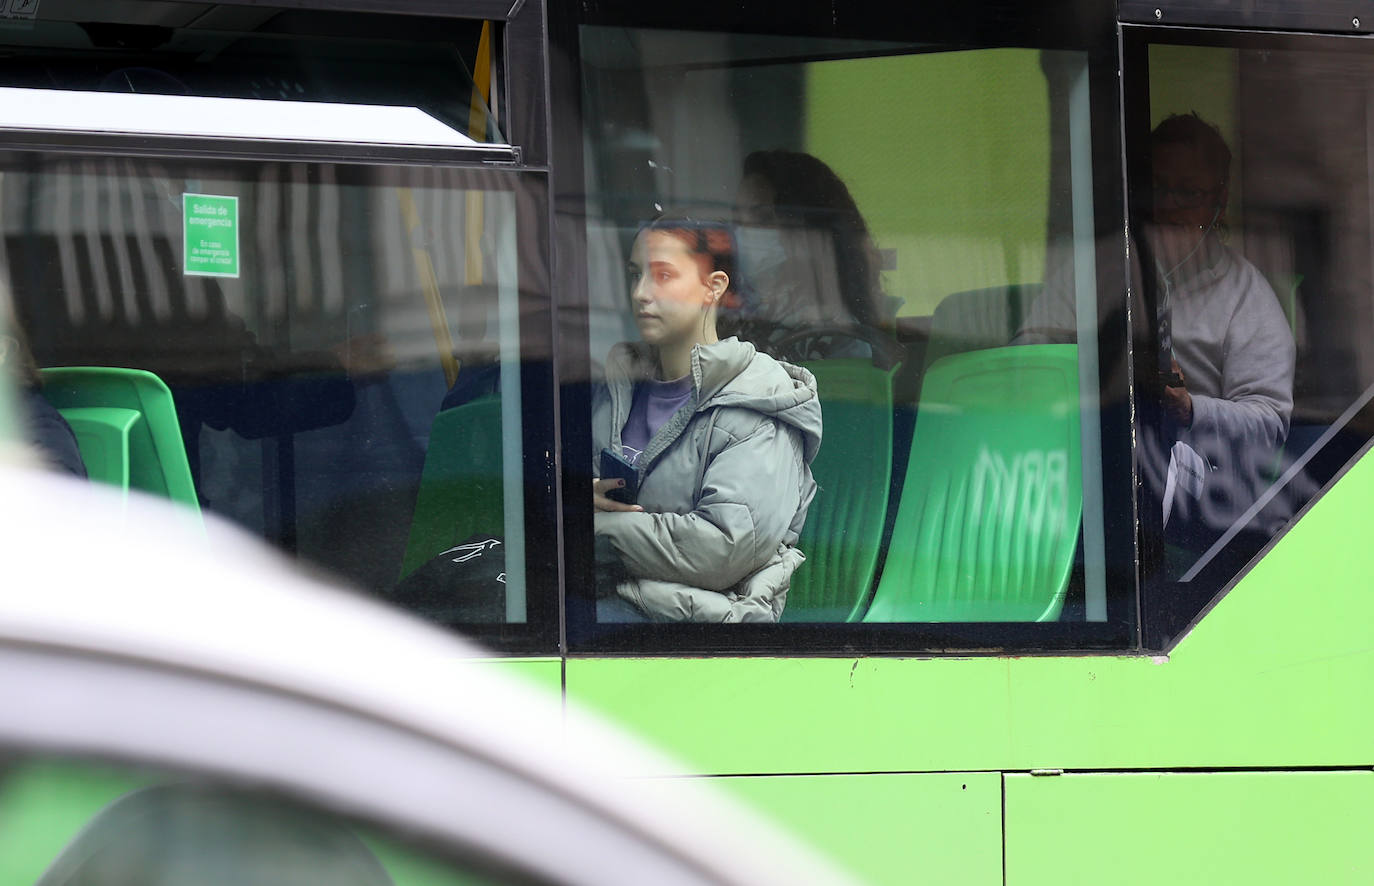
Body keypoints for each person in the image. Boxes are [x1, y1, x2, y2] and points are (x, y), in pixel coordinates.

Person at [1020, 113, 1294, 541]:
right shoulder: (1098, 267)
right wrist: (1099, 366)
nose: (1169, 205)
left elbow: (1270, 423)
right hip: (1082, 446)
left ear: (1219, 200)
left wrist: (1188, 408)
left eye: (1187, 192)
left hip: (1200, 476)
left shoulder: (1246, 294)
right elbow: (1027, 355)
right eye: (1159, 189)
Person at [592, 214, 822, 622]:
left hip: (700, 628)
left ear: (713, 288)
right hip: (604, 600)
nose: (641, 293)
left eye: (663, 276)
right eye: (635, 275)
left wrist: (582, 528)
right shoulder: (618, 387)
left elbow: (724, 549)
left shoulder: (756, 402)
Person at [732, 150, 900, 359]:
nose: (743, 232)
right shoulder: (735, 320)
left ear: (809, 232)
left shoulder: (842, 339)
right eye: (737, 219)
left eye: (763, 217)